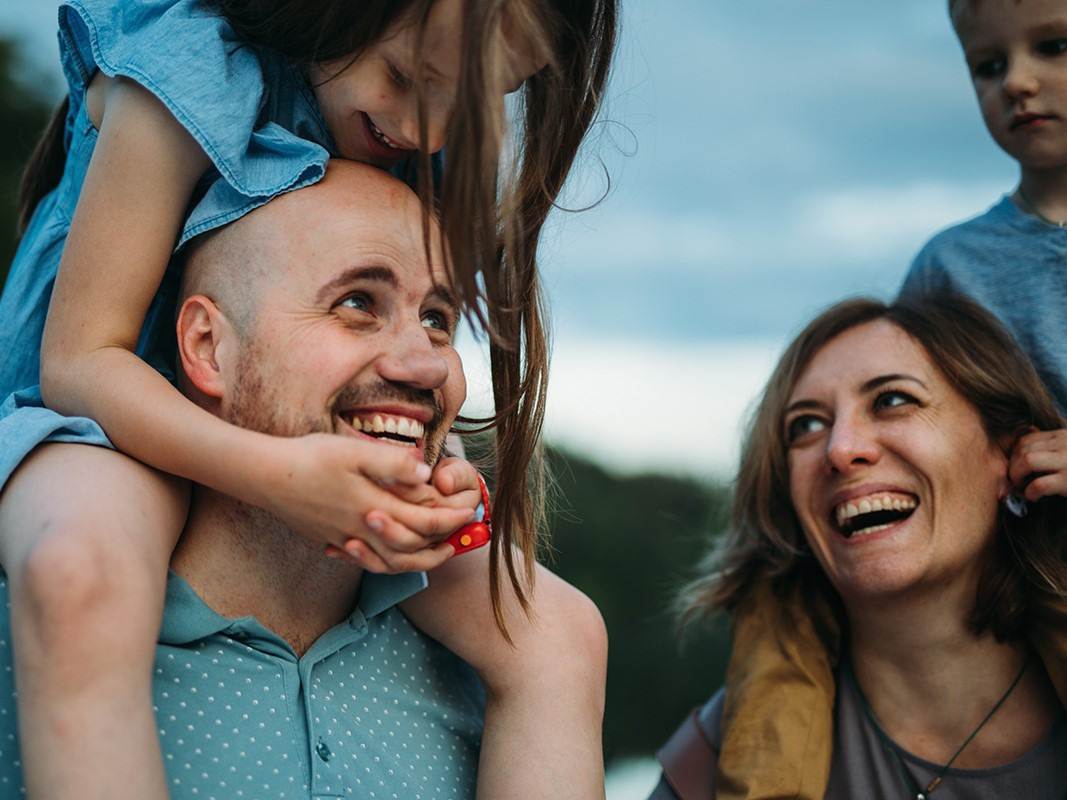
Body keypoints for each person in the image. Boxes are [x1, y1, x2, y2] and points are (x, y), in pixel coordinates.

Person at [0, 1, 615, 799]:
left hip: (267, 424)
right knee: (79, 571)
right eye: (407, 77)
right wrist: (278, 475)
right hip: (90, 421)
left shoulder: (396, 124)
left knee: (560, 630)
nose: (426, 129)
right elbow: (80, 360)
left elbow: (391, 362)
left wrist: (432, 475)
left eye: (471, 101)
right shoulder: (194, 72)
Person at [696, 1, 1067, 796]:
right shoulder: (953, 262)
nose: (1017, 82)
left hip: (1046, 570)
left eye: (1053, 46)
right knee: (780, 599)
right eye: (988, 65)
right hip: (1001, 535)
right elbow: (897, 382)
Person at [651, 294, 1067, 799]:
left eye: (892, 400)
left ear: (1012, 455)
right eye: (806, 425)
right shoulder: (711, 761)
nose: (841, 449)